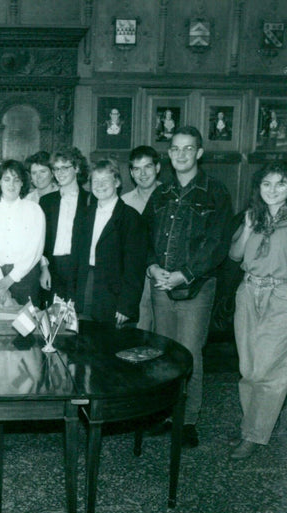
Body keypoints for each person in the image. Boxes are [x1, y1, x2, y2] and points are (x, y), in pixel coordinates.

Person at [228, 161, 287, 459]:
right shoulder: (253, 216)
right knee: (248, 369)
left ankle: (254, 434)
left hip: (284, 294)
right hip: (248, 292)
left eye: (280, 183)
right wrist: (245, 228)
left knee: (268, 370)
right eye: (266, 184)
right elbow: (235, 255)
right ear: (258, 188)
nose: (273, 190)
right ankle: (257, 421)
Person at [143, 126, 233, 448]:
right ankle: (167, 414)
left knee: (190, 353)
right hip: (161, 285)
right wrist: (153, 266)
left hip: (196, 287)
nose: (181, 154)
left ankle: (188, 420)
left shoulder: (215, 192)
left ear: (199, 153)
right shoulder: (160, 193)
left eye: (188, 149)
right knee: (164, 352)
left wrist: (185, 273)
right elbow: (146, 236)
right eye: (175, 149)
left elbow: (218, 244)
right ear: (169, 155)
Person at [74, 160, 146, 324]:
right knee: (83, 340)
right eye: (95, 181)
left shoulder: (131, 218)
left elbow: (135, 267)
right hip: (86, 285)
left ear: (117, 182)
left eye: (105, 180)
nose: (100, 185)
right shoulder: (85, 214)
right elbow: (76, 258)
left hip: (114, 293)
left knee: (109, 344)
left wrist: (126, 305)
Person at [0, 159, 46, 306]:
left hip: (25, 277)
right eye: (7, 179)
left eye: (16, 180)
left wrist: (11, 278)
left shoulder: (34, 210)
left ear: (22, 183)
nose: (11, 184)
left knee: (28, 325)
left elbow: (35, 249)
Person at [39, 147, 90, 302]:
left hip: (80, 268)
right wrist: (44, 268)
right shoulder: (47, 201)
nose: (59, 173)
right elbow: (41, 240)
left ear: (77, 168)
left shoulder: (90, 200)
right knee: (53, 318)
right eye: (56, 169)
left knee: (77, 319)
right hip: (53, 267)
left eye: (65, 168)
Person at [123, 146, 163, 331]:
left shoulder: (171, 196)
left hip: (164, 277)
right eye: (137, 169)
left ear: (158, 167)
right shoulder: (123, 203)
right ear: (131, 172)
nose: (143, 173)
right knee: (140, 334)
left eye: (147, 167)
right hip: (136, 281)